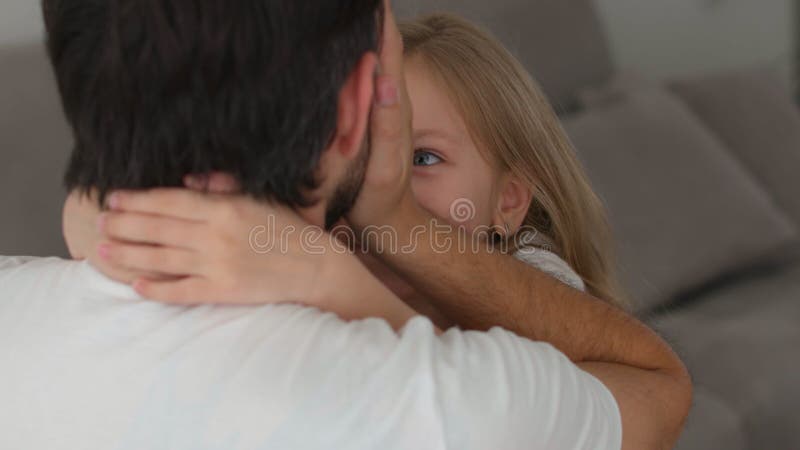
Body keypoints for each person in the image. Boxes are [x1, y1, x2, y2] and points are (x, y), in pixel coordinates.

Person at [0, 3, 690, 450]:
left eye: (427, 156)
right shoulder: (463, 411)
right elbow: (656, 388)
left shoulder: (525, 275)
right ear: (360, 112)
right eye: (397, 147)